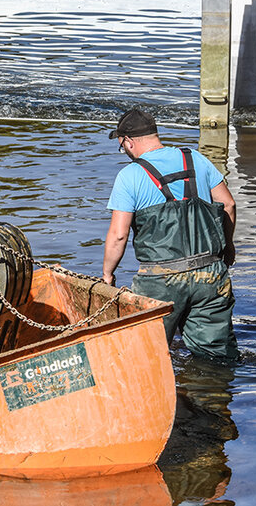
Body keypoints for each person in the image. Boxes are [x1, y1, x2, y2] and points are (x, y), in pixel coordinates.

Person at [102, 108, 239, 361]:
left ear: (129, 142)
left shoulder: (129, 176)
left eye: (122, 147)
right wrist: (227, 248)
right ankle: (213, 395)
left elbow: (118, 236)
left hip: (160, 282)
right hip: (210, 274)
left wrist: (108, 275)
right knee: (216, 357)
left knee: (146, 355)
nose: (125, 152)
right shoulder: (195, 159)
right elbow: (228, 204)